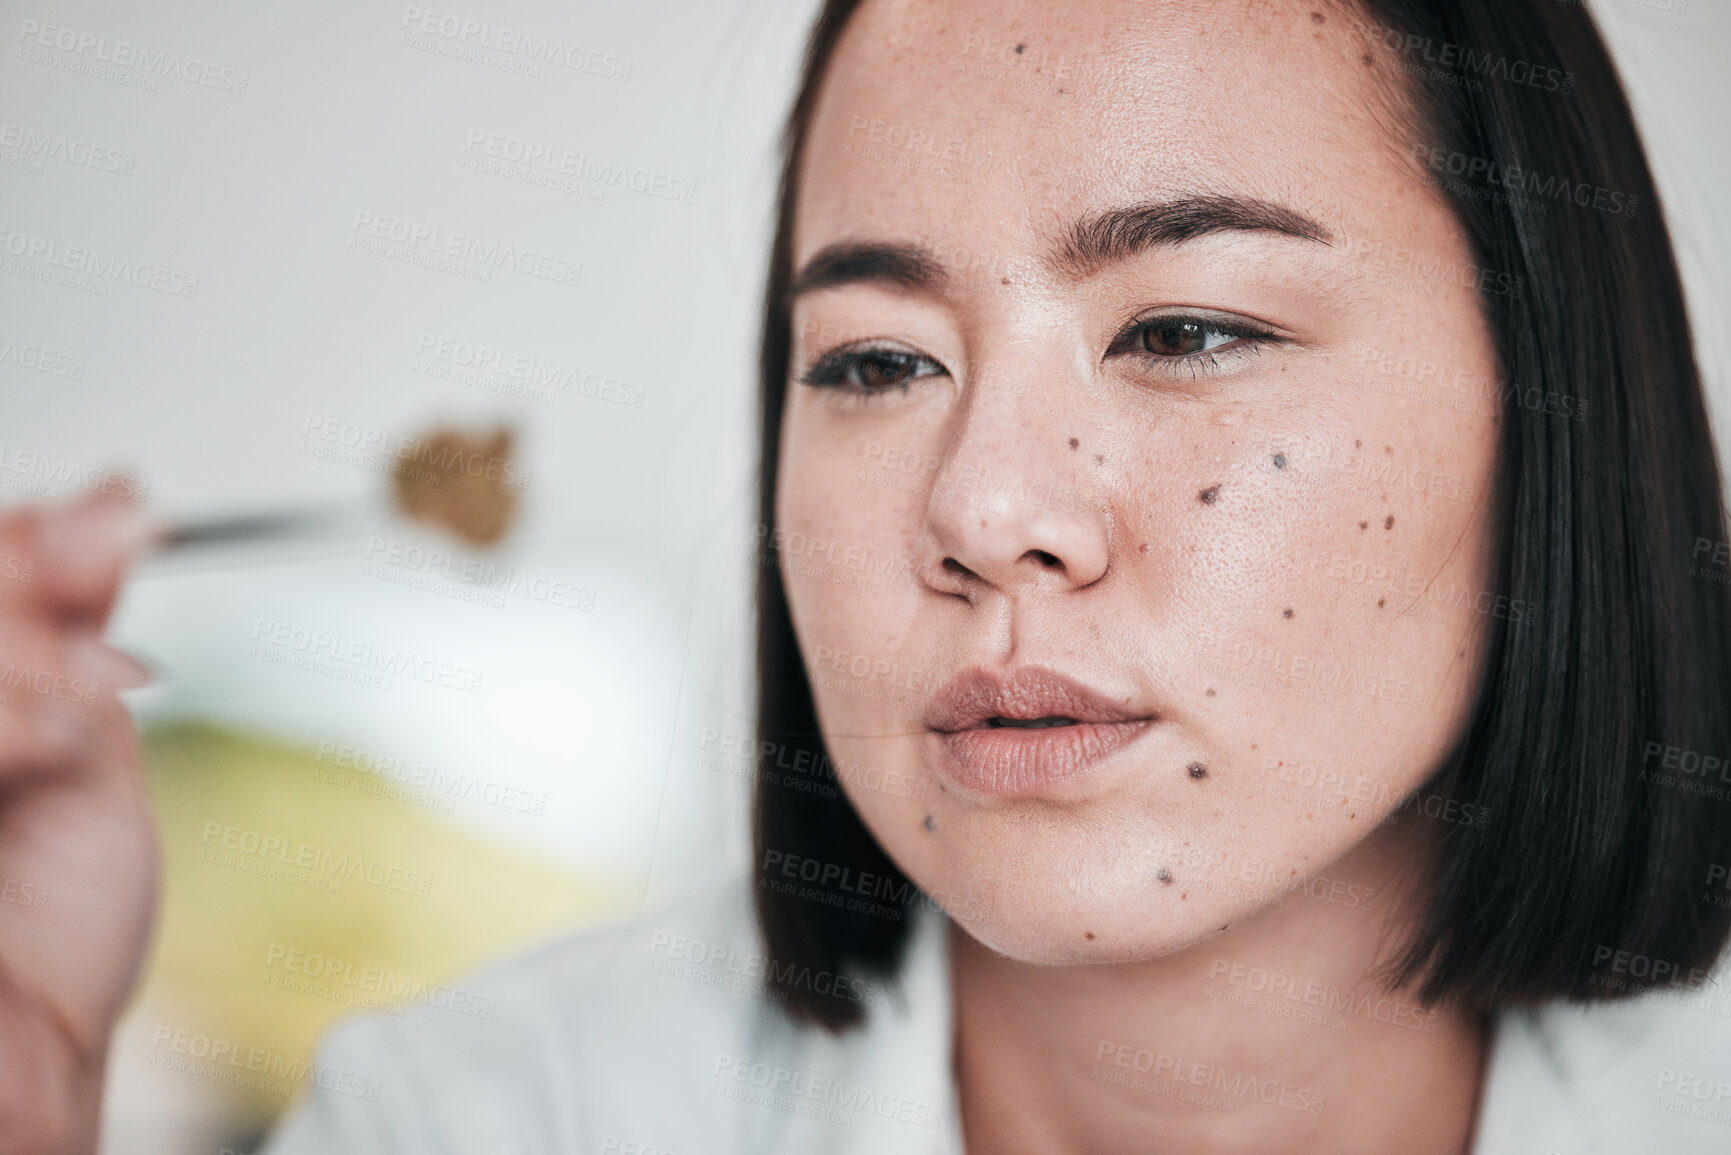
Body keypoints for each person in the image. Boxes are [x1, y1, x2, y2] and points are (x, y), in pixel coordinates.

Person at [7, 0, 1731, 1151]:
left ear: (1557, 398)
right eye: (877, 362)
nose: (983, 505)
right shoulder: (481, 1118)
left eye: (1188, 327)